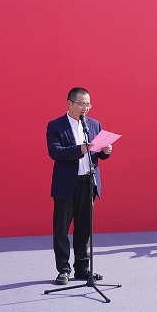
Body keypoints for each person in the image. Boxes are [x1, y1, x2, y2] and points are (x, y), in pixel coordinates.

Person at [46, 87, 113, 285]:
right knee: (61, 229)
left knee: (84, 229)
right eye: (81, 104)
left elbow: (98, 154)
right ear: (69, 103)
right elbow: (55, 152)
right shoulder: (56, 126)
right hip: (67, 184)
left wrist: (106, 151)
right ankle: (63, 270)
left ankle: (82, 269)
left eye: (88, 104)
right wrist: (80, 149)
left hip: (88, 182)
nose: (85, 108)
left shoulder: (94, 124)